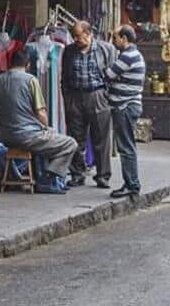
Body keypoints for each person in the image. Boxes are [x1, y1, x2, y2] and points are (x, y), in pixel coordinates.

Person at [0, 46, 78, 190]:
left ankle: (41, 175)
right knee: (70, 143)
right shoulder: (31, 80)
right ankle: (49, 177)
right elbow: (41, 114)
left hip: (5, 136)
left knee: (45, 137)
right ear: (28, 65)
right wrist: (46, 126)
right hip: (28, 136)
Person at [60, 21, 112, 188]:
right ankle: (78, 174)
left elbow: (113, 75)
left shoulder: (105, 49)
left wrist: (107, 97)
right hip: (75, 96)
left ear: (89, 34)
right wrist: (67, 98)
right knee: (76, 138)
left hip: (97, 95)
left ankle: (103, 175)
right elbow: (65, 78)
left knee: (101, 138)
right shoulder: (69, 51)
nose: (75, 39)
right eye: (74, 36)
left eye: (78, 36)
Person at [105, 24, 146, 199]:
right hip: (128, 106)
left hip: (125, 107)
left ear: (124, 39)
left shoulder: (127, 56)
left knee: (126, 147)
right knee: (127, 146)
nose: (113, 41)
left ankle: (132, 185)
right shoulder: (133, 55)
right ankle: (130, 183)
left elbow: (108, 75)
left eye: (115, 37)